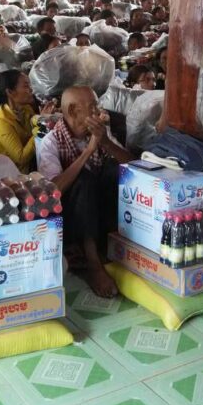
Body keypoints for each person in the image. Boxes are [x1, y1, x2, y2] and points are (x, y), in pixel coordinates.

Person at [38, 86, 133, 297]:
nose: (98, 111)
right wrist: (89, 151)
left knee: (115, 169)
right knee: (83, 179)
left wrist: (105, 142)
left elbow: (134, 166)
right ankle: (92, 263)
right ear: (73, 111)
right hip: (74, 218)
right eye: (92, 107)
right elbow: (54, 190)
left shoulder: (99, 132)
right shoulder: (51, 142)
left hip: (100, 210)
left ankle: (116, 245)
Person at [0, 71, 54, 174]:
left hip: (33, 166)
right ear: (10, 92)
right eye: (26, 86)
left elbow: (35, 126)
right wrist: (42, 124)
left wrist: (45, 118)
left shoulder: (26, 109)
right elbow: (21, 158)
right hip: (15, 175)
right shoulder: (0, 122)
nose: (31, 89)